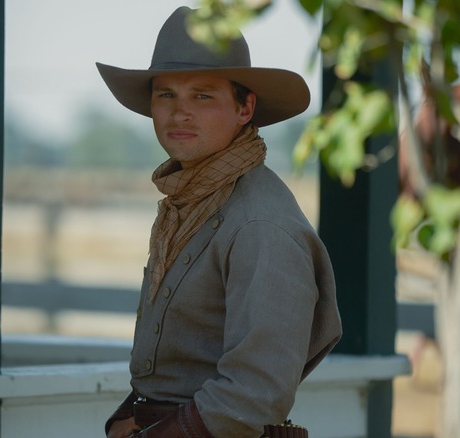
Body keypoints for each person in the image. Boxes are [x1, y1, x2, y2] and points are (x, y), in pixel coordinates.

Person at [96, 6, 341, 437]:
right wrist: (128, 416)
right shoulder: (189, 204)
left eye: (203, 96)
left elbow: (255, 394)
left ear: (245, 108)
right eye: (166, 94)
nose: (179, 113)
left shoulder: (260, 224)